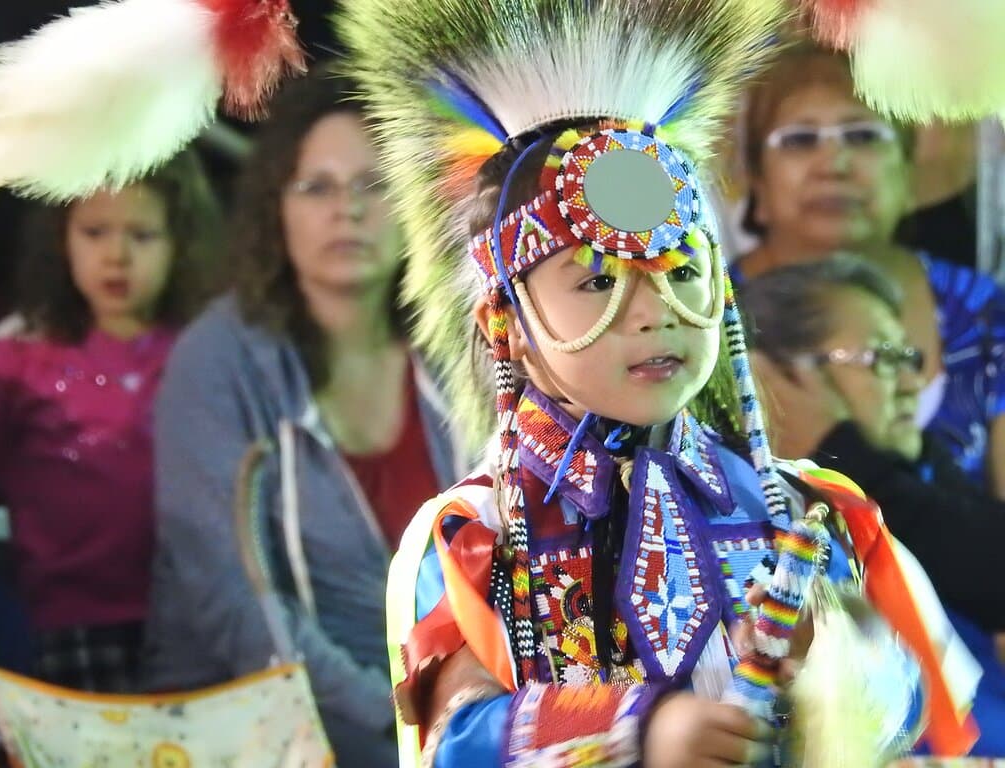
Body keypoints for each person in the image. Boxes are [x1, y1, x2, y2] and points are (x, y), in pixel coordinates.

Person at [339, 1, 976, 765]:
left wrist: (827, 666)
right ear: (503, 322)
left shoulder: (805, 511)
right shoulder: (475, 535)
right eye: (597, 279)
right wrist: (638, 731)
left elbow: (908, 710)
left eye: (680, 272)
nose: (653, 313)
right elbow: (455, 737)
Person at [140, 63, 465, 768]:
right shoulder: (217, 359)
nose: (345, 209)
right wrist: (399, 723)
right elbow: (236, 604)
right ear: (275, 209)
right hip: (250, 736)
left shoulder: (453, 352)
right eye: (316, 186)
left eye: (373, 185)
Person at [740, 255, 1005, 756]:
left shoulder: (913, 480)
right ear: (783, 379)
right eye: (881, 358)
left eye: (910, 357)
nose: (910, 383)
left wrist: (843, 450)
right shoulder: (768, 527)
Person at [0, 149, 219, 692]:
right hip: (61, 631)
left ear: (180, 242)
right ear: (60, 236)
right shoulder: (14, 362)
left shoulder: (207, 354)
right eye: (95, 232)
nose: (117, 255)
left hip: (196, 624)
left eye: (142, 235)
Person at [732, 42, 1005, 498]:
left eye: (863, 136)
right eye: (799, 140)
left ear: (907, 173)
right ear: (756, 179)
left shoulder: (986, 314)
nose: (833, 165)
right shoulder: (706, 316)